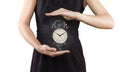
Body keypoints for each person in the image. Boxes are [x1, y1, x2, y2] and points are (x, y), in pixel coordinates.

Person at [19, 0, 114, 72]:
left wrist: (77, 15)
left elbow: (109, 22)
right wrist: (38, 46)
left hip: (72, 61)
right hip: (43, 59)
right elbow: (23, 23)